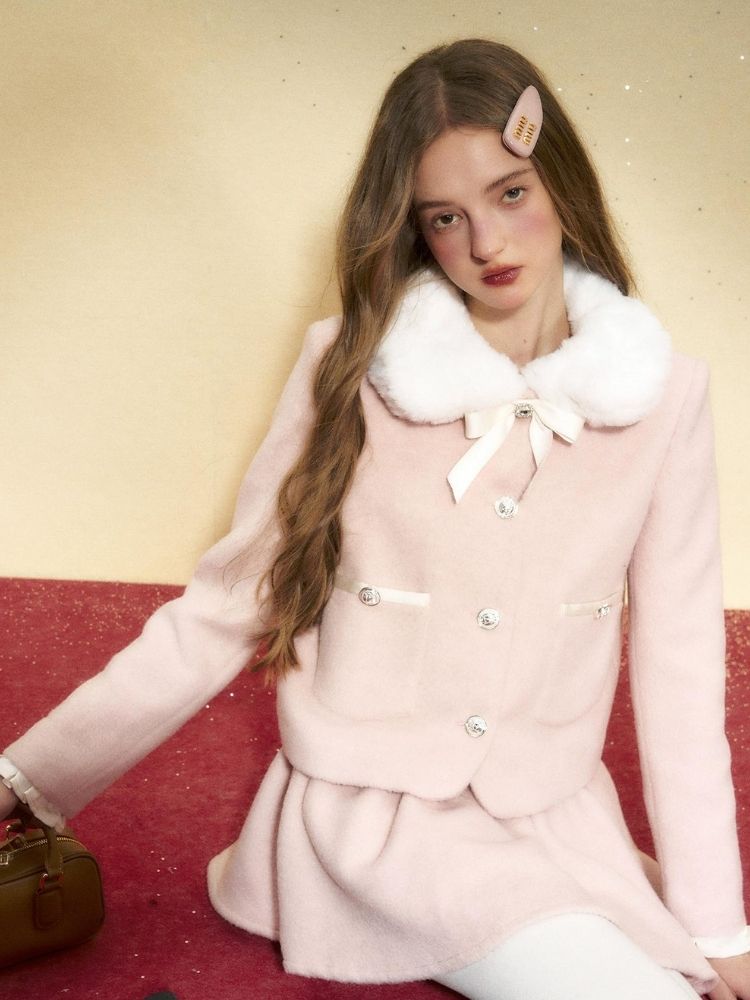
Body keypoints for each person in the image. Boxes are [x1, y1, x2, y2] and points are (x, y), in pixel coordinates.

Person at [1, 37, 748, 1000]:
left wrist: (717, 922)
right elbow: (223, 609)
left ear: (561, 182)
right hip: (374, 826)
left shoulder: (666, 397)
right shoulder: (350, 368)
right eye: (446, 218)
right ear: (415, 229)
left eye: (511, 193)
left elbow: (682, 670)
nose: (487, 244)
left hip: (561, 821)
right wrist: (25, 782)